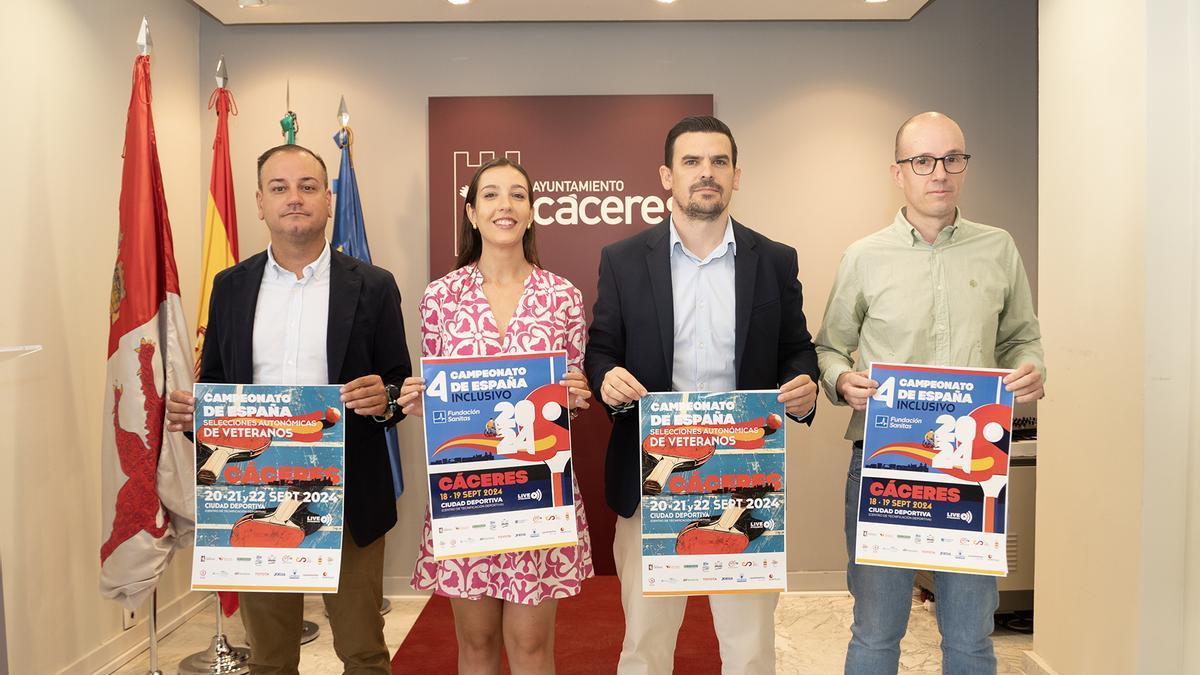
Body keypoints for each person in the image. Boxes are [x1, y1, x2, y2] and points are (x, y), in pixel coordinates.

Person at [584, 115, 820, 675]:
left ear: (738, 175)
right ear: (667, 175)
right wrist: (605, 378)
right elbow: (601, 350)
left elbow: (797, 348)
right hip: (653, 479)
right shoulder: (621, 260)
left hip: (742, 481)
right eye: (691, 162)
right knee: (645, 645)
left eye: (719, 162)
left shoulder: (775, 260)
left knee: (749, 649)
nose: (706, 173)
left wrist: (805, 384)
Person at [165, 143, 411, 674]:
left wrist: (385, 400)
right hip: (256, 490)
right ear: (259, 202)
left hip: (349, 494)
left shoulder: (373, 286)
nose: (293, 199)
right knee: (270, 658)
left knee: (364, 651)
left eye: (307, 187)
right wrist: (196, 419)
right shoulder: (229, 287)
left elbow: (397, 387)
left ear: (328, 198)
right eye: (279, 188)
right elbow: (218, 388)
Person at [814, 111, 1046, 675]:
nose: (939, 173)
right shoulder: (864, 256)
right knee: (875, 633)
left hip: (973, 468)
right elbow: (829, 349)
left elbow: (1022, 339)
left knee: (970, 637)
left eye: (953, 159)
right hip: (886, 466)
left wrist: (1030, 369)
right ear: (898, 172)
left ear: (965, 165)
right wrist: (843, 382)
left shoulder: (999, 249)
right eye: (923, 160)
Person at [401, 157, 595, 674]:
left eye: (516, 195)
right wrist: (422, 401)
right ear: (470, 211)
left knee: (532, 647)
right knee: (478, 644)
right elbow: (440, 402)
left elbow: (569, 393)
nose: (504, 205)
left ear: (531, 213)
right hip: (467, 492)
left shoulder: (563, 296)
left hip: (537, 493)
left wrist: (577, 392)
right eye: (490, 195)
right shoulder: (440, 297)